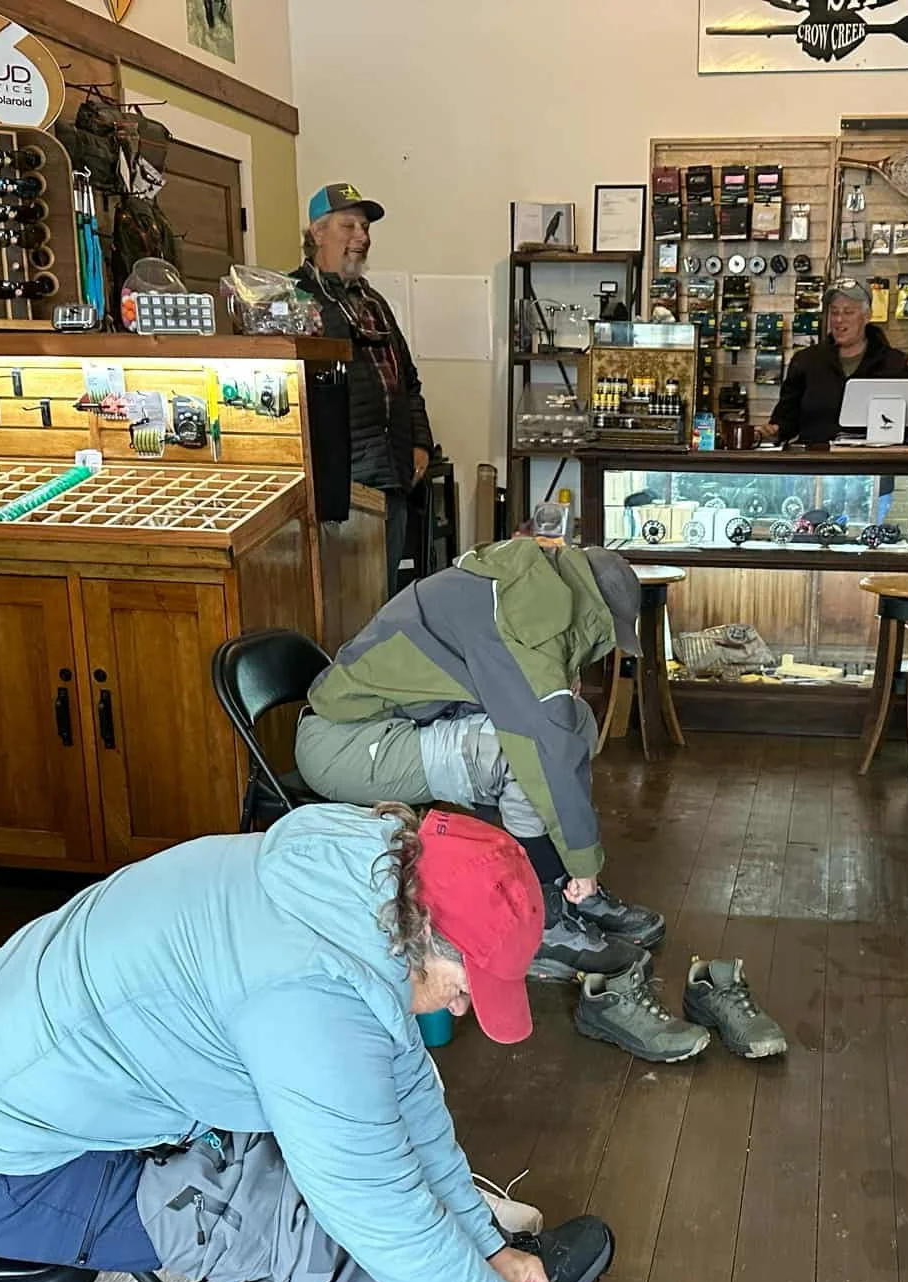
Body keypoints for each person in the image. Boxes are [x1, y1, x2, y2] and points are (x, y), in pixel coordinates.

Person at [0, 803, 714, 1282]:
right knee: (307, 1225)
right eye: (467, 987)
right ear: (426, 942)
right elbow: (372, 1209)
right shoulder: (308, 998)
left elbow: (405, 1091)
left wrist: (487, 1247)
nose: (466, 1012)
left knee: (351, 1165)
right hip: (2, 1168)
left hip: (43, 1085)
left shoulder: (360, 893)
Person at [290, 538, 759, 1063]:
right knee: (515, 756)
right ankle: (544, 920)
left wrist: (582, 860)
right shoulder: (532, 621)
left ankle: (560, 893)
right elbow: (540, 746)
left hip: (387, 726)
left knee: (571, 722)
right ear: (596, 615)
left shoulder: (527, 590)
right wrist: (585, 859)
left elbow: (558, 725)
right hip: (347, 744)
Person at [293, 183, 432, 595]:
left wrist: (420, 443)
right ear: (317, 232)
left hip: (392, 475)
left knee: (384, 596)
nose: (362, 237)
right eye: (349, 225)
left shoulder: (373, 302)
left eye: (365, 227)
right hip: (340, 485)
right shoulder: (295, 298)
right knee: (345, 599)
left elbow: (408, 380)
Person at [766, 278, 908, 446]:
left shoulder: (893, 363)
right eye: (834, 312)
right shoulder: (806, 361)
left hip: (872, 464)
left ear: (867, 316)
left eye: (848, 312)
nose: (838, 320)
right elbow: (786, 419)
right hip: (817, 464)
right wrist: (771, 432)